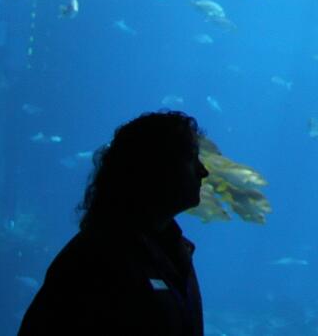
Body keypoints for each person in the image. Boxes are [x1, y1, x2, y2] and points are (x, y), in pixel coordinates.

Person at [19, 110, 209, 336]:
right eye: (190, 158)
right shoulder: (92, 261)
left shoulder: (178, 254)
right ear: (155, 167)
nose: (203, 171)